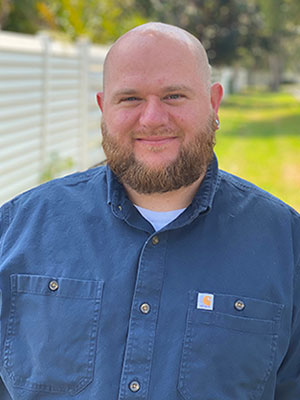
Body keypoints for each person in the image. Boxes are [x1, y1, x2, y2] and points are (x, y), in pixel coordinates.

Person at [0, 22, 299, 400]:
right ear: (103, 108)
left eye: (174, 95)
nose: (153, 119)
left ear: (213, 103)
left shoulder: (288, 248)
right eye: (130, 99)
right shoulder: (14, 233)